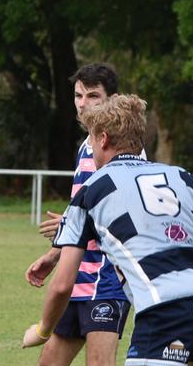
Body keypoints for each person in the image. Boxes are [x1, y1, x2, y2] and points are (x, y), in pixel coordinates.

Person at [22, 94, 193, 366]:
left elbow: (62, 285)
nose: (90, 148)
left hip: (166, 306)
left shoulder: (91, 191)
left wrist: (42, 330)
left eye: (91, 140)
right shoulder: (183, 177)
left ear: (103, 139)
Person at [24, 64, 133, 366]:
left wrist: (73, 224)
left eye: (93, 95)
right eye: (78, 95)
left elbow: (127, 218)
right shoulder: (87, 145)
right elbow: (80, 217)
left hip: (108, 279)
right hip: (76, 277)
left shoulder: (123, 150)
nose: (83, 103)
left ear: (113, 99)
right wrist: (54, 253)